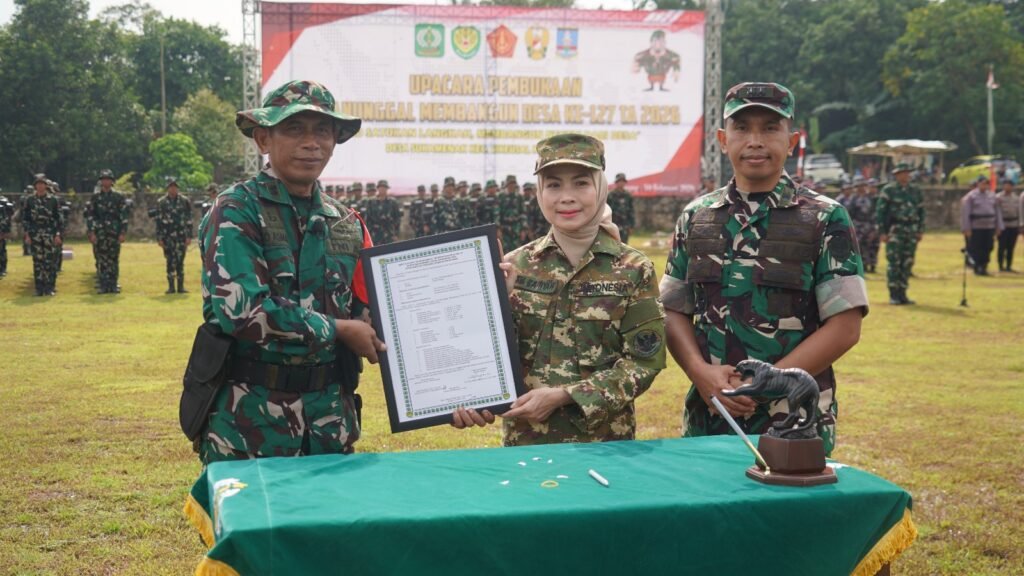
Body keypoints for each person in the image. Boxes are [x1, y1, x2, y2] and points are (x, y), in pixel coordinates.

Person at [660, 82, 867, 457]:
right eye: (742, 128)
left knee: (789, 513)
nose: (755, 140)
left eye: (770, 128)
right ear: (723, 139)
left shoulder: (824, 217)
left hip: (793, 419)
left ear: (792, 140)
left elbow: (845, 326)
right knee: (709, 510)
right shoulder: (696, 218)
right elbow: (673, 310)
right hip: (711, 414)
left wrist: (769, 382)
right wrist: (699, 373)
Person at [194, 79, 385, 463]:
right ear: (263, 140)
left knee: (328, 524)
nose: (311, 143)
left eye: (323, 131)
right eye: (294, 129)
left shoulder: (347, 223)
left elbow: (372, 313)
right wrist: (338, 329)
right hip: (250, 429)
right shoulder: (236, 210)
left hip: (330, 426)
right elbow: (244, 313)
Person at [452, 134, 666, 446]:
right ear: (539, 192)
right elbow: (481, 357)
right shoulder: (514, 266)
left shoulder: (634, 268)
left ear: (600, 187)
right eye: (553, 185)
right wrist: (466, 398)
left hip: (606, 447)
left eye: (581, 183)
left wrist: (566, 396)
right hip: (526, 447)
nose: (566, 197)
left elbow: (645, 362)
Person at [876, 163, 925, 304]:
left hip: (911, 230)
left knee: (907, 262)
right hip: (895, 230)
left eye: (907, 172)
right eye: (902, 173)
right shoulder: (889, 190)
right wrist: (883, 232)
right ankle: (893, 294)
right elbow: (881, 212)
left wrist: (920, 229)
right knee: (894, 262)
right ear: (896, 175)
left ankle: (903, 293)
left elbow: (921, 211)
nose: (906, 175)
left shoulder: (915, 190)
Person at [84, 169, 129, 294]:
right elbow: (90, 216)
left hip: (114, 232)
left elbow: (123, 216)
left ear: (112, 181)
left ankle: (113, 284)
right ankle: (104, 285)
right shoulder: (95, 198)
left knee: (113, 259)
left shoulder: (118, 197)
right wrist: (91, 232)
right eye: (103, 179)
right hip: (100, 232)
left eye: (108, 179)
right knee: (102, 259)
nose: (106, 181)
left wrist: (123, 232)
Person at [22, 173, 65, 296]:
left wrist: (57, 234)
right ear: (35, 186)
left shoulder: (53, 200)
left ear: (46, 186)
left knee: (50, 262)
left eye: (42, 184)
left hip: (49, 234)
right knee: (37, 261)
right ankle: (39, 288)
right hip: (35, 234)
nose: (40, 186)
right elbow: (26, 219)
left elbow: (59, 219)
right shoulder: (29, 200)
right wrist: (27, 234)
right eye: (38, 184)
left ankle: (50, 287)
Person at [155, 176, 194, 293]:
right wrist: (159, 237)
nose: (173, 189)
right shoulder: (161, 202)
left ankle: (181, 286)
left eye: (175, 187)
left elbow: (189, 219)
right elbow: (158, 221)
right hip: (167, 237)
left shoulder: (184, 201)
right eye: (171, 187)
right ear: (167, 188)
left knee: (180, 261)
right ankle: (171, 287)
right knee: (169, 261)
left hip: (181, 236)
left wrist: (189, 236)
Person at [960, 175, 1003, 276]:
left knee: (988, 246)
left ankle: (984, 266)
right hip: (976, 226)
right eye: (982, 184)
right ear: (978, 184)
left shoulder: (992, 196)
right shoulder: (971, 197)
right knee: (977, 247)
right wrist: (966, 228)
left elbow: (997, 212)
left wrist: (999, 226)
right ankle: (977, 267)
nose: (984, 186)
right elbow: (966, 214)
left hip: (989, 226)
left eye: (986, 184)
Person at [848, 176, 879, 273]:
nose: (861, 188)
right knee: (858, 246)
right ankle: (859, 266)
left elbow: (874, 212)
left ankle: (869, 265)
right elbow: (850, 213)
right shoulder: (853, 199)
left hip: (868, 225)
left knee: (869, 245)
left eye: (863, 186)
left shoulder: (871, 198)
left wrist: (874, 227)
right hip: (857, 225)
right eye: (859, 186)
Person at [996, 178, 1021, 272]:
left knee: (1011, 247)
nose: (1008, 187)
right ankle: (1000, 265)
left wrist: (1019, 226)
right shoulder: (998, 197)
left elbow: (1019, 213)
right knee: (1002, 246)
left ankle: (1008, 266)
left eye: (1009, 185)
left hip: (1013, 225)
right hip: (1003, 225)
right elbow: (997, 212)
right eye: (1006, 185)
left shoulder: (1016, 198)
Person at [607, 173, 635, 244]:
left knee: (624, 245)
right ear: (616, 182)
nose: (621, 183)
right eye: (620, 181)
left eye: (623, 181)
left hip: (625, 225)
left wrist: (631, 226)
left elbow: (631, 211)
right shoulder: (610, 195)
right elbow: (606, 210)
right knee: (613, 243)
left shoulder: (628, 196)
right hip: (613, 224)